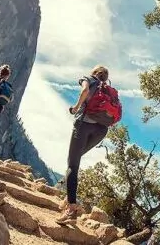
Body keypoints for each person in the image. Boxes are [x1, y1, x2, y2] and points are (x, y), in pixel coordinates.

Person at [56, 65, 110, 224]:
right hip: (101, 130)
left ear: (94, 73)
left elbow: (85, 91)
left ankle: (72, 209)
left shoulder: (89, 80)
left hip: (84, 125)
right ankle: (69, 197)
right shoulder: (107, 89)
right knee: (75, 159)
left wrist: (75, 108)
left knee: (72, 164)